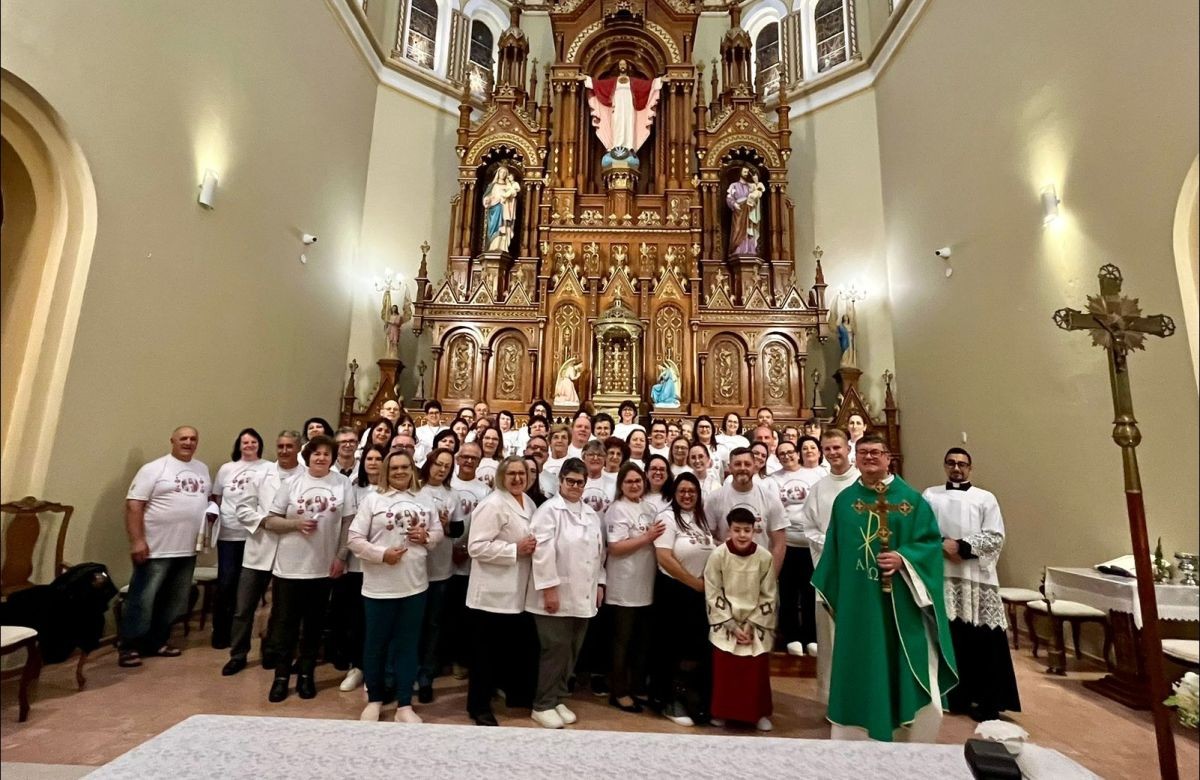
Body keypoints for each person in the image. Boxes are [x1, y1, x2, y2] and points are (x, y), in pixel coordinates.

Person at [811, 434, 957, 742]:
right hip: (858, 605)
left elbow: (930, 544)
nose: (869, 458)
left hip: (900, 606)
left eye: (875, 452)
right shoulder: (845, 502)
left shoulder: (912, 501)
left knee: (903, 664)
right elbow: (834, 554)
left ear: (888, 457)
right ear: (855, 458)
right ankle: (857, 736)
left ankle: (906, 732)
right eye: (863, 453)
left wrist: (904, 559)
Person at [922, 448, 1020, 722]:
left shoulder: (985, 498)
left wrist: (962, 546)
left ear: (970, 468)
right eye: (951, 463)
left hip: (976, 576)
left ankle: (988, 699)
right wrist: (942, 544)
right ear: (944, 466)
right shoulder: (930, 495)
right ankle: (953, 696)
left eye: (962, 464)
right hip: (941, 574)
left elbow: (995, 536)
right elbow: (920, 528)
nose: (957, 468)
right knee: (950, 635)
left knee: (982, 637)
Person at [348, 448, 440, 723]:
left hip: (414, 586)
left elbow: (437, 533)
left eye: (405, 467)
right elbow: (354, 539)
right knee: (375, 644)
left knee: (408, 646)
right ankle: (375, 699)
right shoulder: (373, 500)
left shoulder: (424, 499)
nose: (400, 471)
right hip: (379, 587)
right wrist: (381, 555)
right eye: (394, 467)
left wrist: (425, 536)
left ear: (412, 469)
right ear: (386, 471)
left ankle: (404, 704)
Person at [263, 435, 357, 702]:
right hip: (290, 568)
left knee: (314, 625)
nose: (321, 457)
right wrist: (295, 524)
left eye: (327, 454)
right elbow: (271, 520)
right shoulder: (292, 483)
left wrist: (341, 556)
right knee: (285, 625)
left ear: (333, 458)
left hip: (322, 567)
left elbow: (348, 523)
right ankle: (281, 677)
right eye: (317, 453)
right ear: (308, 456)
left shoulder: (342, 484)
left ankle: (306, 675)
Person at [119, 426, 212, 668]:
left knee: (173, 599)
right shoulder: (154, 468)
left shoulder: (201, 469)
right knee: (143, 597)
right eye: (183, 438)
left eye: (193, 439)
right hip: (156, 547)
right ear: (172, 440)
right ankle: (129, 645)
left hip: (187, 548)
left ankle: (157, 641)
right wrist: (137, 541)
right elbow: (134, 505)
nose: (188, 442)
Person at [526, 459, 607, 729]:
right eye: (570, 481)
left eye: (580, 482)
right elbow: (542, 553)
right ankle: (542, 704)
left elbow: (599, 553)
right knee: (555, 649)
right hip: (555, 595)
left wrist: (600, 584)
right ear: (560, 481)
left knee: (572, 650)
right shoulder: (549, 511)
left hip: (583, 594)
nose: (574, 486)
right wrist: (549, 590)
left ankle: (558, 696)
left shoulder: (591, 513)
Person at [222, 430, 304, 677]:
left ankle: (273, 651)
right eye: (280, 446)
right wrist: (266, 522)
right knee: (243, 607)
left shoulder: (305, 476)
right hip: (258, 549)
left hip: (289, 550)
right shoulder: (260, 474)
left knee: (281, 610)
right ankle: (238, 654)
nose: (284, 450)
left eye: (290, 446)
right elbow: (243, 509)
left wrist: (287, 525)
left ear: (298, 448)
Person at [465, 456, 539, 726]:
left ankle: (507, 696)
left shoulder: (528, 502)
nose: (518, 478)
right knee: (483, 655)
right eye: (512, 474)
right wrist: (514, 550)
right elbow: (476, 547)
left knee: (504, 653)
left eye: (522, 473)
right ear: (501, 477)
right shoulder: (493, 504)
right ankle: (478, 706)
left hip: (516, 591)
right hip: (490, 594)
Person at [798, 428, 859, 701]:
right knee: (830, 635)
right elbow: (808, 526)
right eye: (828, 449)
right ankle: (832, 697)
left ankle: (861, 694)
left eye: (838, 447)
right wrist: (830, 544)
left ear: (848, 448)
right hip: (828, 570)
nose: (833, 453)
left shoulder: (863, 483)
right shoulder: (819, 488)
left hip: (860, 570)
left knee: (859, 633)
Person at [650, 472, 716, 726]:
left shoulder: (701, 518)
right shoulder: (667, 517)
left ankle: (695, 701)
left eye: (692, 491)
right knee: (672, 648)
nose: (687, 495)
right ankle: (669, 701)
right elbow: (664, 557)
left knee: (696, 649)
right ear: (674, 494)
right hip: (675, 591)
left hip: (699, 593)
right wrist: (694, 583)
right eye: (682, 491)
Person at [705, 508, 777, 732]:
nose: (742, 535)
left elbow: (769, 594)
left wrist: (751, 624)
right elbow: (713, 591)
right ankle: (723, 713)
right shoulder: (718, 555)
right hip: (727, 623)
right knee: (727, 672)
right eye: (737, 530)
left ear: (754, 530)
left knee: (754, 673)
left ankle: (757, 714)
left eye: (747, 530)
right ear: (729, 530)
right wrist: (731, 624)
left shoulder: (764, 557)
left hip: (755, 624)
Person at [604, 462, 662, 713]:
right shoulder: (617, 510)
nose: (635, 485)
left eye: (638, 481)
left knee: (642, 642)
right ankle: (618, 691)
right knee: (622, 642)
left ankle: (637, 686)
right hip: (623, 586)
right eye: (629, 482)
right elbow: (615, 547)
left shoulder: (649, 508)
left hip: (646, 584)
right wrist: (646, 538)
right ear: (621, 485)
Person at [333, 444, 387, 692]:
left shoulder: (391, 491)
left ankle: (376, 670)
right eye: (370, 458)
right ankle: (357, 667)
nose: (374, 463)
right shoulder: (353, 488)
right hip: (356, 565)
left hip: (383, 567)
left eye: (378, 458)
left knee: (379, 622)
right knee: (357, 620)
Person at [209, 428, 270, 650]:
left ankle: (249, 632)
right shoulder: (227, 469)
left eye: (253, 441)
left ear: (259, 444)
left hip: (255, 535)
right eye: (245, 442)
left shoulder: (268, 468)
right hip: (229, 532)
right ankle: (221, 631)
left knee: (252, 587)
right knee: (227, 583)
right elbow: (217, 496)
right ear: (239, 445)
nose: (249, 445)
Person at [768, 439, 824, 657]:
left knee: (810, 592)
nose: (786, 456)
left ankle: (812, 636)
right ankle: (792, 636)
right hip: (788, 544)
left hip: (812, 544)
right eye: (781, 453)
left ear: (798, 454)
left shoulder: (816, 475)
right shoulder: (773, 480)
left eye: (790, 452)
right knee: (788, 592)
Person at [415, 448, 457, 703]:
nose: (441, 469)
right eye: (438, 464)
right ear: (428, 464)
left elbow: (457, 530)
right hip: (412, 569)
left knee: (433, 625)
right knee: (411, 626)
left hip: (440, 569)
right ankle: (405, 674)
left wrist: (446, 526)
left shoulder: (451, 495)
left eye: (446, 466)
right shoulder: (415, 489)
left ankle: (426, 677)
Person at [707, 448, 787, 574]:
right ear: (730, 467)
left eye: (747, 464)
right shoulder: (714, 498)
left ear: (755, 467)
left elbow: (779, 544)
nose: (742, 468)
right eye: (737, 464)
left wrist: (771, 577)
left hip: (759, 570)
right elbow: (708, 538)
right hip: (726, 570)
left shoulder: (770, 498)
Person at [448, 442, 490, 678]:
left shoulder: (484, 491)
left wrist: (463, 547)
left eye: (474, 458)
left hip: (469, 560)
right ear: (457, 458)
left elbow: (481, 524)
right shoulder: (449, 484)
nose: (468, 461)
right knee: (446, 615)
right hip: (444, 559)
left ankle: (461, 660)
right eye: (465, 457)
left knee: (465, 616)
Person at [583, 58, 663, 155]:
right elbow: (599, 85)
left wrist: (661, 80)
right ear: (618, 67)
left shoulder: (633, 81)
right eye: (620, 64)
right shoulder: (613, 81)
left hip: (629, 107)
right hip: (617, 107)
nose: (622, 66)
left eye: (624, 64)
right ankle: (617, 146)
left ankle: (629, 147)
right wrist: (586, 79)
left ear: (627, 66)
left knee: (629, 124)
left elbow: (647, 85)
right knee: (617, 124)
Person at [727, 166, 764, 257]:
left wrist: (756, 181)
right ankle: (738, 250)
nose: (746, 173)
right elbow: (729, 197)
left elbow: (759, 191)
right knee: (738, 229)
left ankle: (750, 250)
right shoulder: (734, 185)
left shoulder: (751, 186)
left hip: (749, 210)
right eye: (744, 171)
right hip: (739, 210)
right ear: (740, 173)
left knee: (749, 229)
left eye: (747, 172)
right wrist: (734, 204)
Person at [482, 164, 521, 253]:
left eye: (504, 173)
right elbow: (488, 196)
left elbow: (513, 198)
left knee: (504, 227)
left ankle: (502, 247)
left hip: (505, 209)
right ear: (498, 173)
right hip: (495, 209)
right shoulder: (493, 185)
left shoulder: (509, 185)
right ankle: (493, 246)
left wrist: (510, 198)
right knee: (494, 227)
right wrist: (488, 200)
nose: (502, 174)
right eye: (501, 172)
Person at [580, 440, 613, 514]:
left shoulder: (613, 484)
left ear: (605, 458)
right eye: (591, 454)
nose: (595, 458)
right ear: (583, 457)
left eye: (600, 455)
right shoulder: (577, 482)